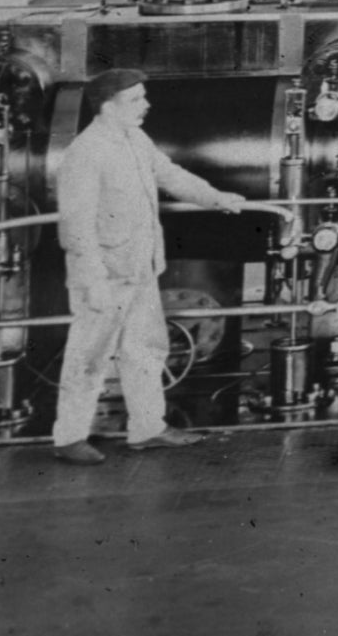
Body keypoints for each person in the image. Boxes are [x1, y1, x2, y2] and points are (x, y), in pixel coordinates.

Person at [51, 68, 248, 463]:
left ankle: (147, 427)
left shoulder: (134, 139)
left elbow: (170, 175)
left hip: (140, 267)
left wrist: (216, 198)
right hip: (105, 275)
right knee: (89, 355)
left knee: (146, 349)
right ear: (107, 107)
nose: (147, 105)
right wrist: (93, 282)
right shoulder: (86, 153)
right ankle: (69, 438)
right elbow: (76, 224)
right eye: (136, 99)